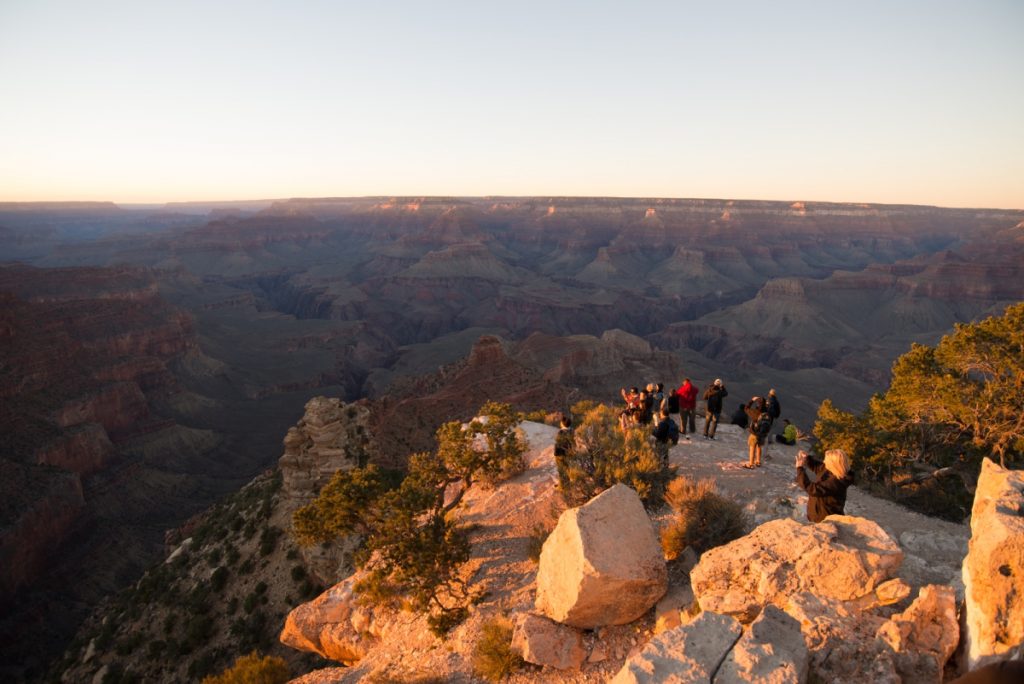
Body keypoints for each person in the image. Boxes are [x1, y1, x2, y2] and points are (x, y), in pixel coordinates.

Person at [795, 449, 854, 522]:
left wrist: (799, 469)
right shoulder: (830, 470)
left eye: (826, 460)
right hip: (816, 515)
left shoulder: (837, 482)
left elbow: (812, 489)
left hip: (826, 519)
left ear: (833, 464)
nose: (824, 462)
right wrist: (807, 458)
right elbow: (818, 467)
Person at [743, 397, 771, 469]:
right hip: (763, 434)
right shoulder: (767, 413)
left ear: (758, 404)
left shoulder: (755, 412)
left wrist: (752, 400)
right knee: (759, 446)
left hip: (755, 433)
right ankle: (758, 461)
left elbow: (746, 408)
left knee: (752, 447)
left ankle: (751, 464)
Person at [553, 414, 575, 489]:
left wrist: (555, 454)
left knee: (561, 470)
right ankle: (567, 483)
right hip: (568, 453)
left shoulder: (561, 432)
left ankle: (563, 485)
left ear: (562, 424)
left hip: (560, 453)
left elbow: (557, 443)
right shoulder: (571, 431)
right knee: (567, 468)